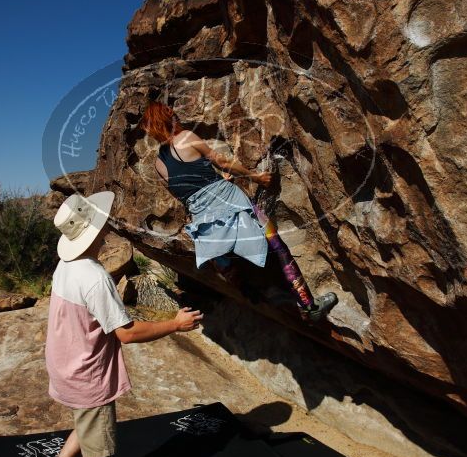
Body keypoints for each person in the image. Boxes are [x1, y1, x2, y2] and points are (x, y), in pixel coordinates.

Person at [38, 191, 202, 457]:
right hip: (87, 376)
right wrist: (175, 323)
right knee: (96, 456)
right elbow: (125, 333)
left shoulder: (65, 266)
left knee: (85, 423)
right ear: (94, 232)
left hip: (64, 366)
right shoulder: (94, 277)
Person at [139, 101, 338, 322]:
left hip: (203, 219)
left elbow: (184, 193)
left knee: (227, 264)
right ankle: (309, 306)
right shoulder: (185, 137)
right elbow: (222, 161)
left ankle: (257, 301)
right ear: (167, 118)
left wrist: (210, 184)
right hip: (231, 202)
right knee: (277, 246)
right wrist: (254, 177)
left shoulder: (158, 164)